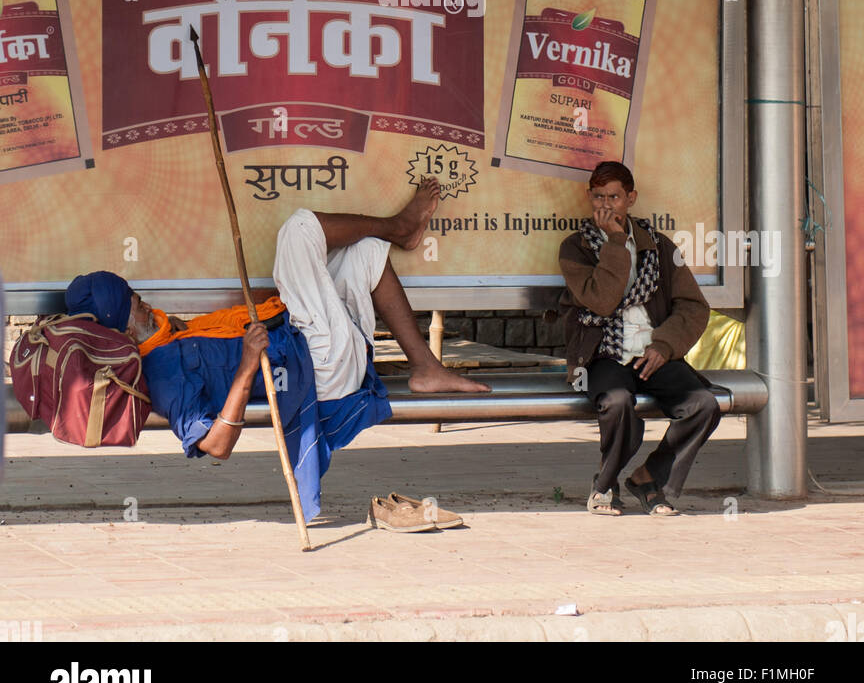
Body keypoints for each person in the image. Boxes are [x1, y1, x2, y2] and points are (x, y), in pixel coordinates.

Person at [65, 179, 489, 521]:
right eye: (133, 301)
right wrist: (248, 367)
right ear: (121, 325)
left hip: (309, 340)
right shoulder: (162, 375)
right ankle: (400, 228)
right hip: (316, 367)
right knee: (299, 230)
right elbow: (215, 446)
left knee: (362, 254)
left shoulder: (165, 332)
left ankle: (426, 367)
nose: (142, 301)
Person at [558, 160, 720, 516]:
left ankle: (648, 477)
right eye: (598, 197)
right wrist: (616, 243)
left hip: (652, 352)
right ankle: (605, 485)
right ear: (588, 197)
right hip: (601, 354)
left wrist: (664, 346)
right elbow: (602, 301)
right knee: (617, 403)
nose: (605, 206)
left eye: (614, 197)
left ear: (630, 198)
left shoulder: (659, 247)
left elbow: (693, 306)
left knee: (704, 405)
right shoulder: (576, 248)